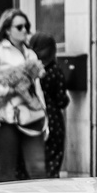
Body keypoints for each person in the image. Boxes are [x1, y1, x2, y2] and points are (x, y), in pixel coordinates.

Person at [0, 8, 47, 183]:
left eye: (27, 26)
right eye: (19, 27)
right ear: (8, 30)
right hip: (4, 118)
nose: (24, 30)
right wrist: (6, 91)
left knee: (38, 168)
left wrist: (43, 113)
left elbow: (36, 87)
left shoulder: (30, 53)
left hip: (31, 115)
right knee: (7, 172)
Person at [29, 33, 68, 177]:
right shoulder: (55, 71)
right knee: (52, 163)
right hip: (53, 120)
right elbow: (61, 100)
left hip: (31, 117)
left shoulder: (28, 70)